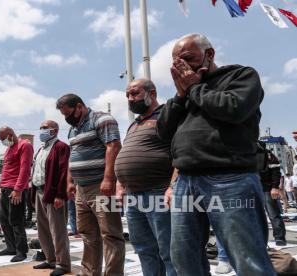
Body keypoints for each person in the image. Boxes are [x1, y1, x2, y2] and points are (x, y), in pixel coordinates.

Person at [157, 33, 274, 275]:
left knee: (248, 259)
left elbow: (234, 108)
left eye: (188, 58)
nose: (182, 65)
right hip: (185, 181)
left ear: (209, 54)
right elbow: (163, 131)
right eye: (176, 61)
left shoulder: (240, 75)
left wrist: (194, 88)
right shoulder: (184, 93)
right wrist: (181, 96)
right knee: (183, 257)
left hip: (230, 178)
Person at [56, 94, 125, 276]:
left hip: (100, 187)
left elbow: (114, 147)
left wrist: (109, 178)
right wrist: (70, 182)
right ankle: (89, 272)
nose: (66, 118)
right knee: (87, 234)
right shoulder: (73, 129)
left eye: (68, 113)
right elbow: (74, 155)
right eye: (63, 115)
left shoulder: (102, 120)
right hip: (81, 189)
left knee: (110, 235)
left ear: (79, 106)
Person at [115, 79, 176, 276]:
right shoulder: (134, 124)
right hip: (133, 196)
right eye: (127, 96)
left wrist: (173, 185)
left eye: (135, 93)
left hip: (158, 192)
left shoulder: (168, 115)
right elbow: (125, 155)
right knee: (143, 249)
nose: (130, 99)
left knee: (168, 251)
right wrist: (120, 184)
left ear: (152, 93)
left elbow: (181, 151)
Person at [31, 120, 71, 276]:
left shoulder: (61, 147)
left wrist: (60, 194)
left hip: (53, 194)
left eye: (45, 128)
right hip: (40, 192)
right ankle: (51, 259)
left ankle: (63, 263)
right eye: (40, 127)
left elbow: (63, 172)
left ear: (55, 130)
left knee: (58, 229)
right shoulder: (41, 149)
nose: (41, 130)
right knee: (43, 229)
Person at [0, 126, 33, 262]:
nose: (3, 142)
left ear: (10, 135)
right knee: (4, 219)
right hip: (5, 188)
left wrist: (18, 190)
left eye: (3, 139)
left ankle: (21, 251)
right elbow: (5, 169)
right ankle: (11, 247)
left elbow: (25, 169)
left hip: (15, 189)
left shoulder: (25, 145)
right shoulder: (9, 148)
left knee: (16, 220)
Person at [257, 141, 287, 246]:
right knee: (255, 216)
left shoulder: (268, 154)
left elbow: (276, 171)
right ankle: (260, 239)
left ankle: (280, 237)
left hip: (267, 189)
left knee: (273, 214)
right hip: (253, 189)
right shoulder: (245, 153)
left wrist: (274, 187)